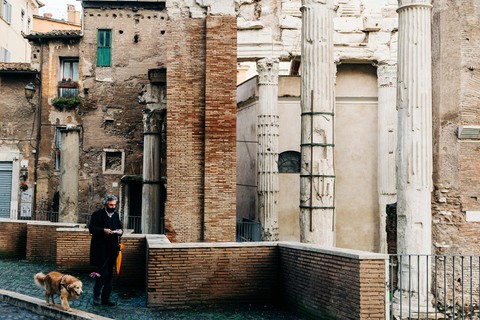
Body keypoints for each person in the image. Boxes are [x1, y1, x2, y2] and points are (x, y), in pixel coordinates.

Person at [89, 194, 123, 306]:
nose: (113, 207)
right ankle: (96, 295)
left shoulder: (116, 215)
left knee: (109, 275)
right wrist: (103, 230)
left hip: (112, 249)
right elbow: (91, 228)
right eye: (110, 205)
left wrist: (120, 231)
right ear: (105, 204)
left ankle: (106, 298)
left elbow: (119, 227)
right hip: (100, 249)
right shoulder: (97, 214)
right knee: (103, 273)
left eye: (114, 205)